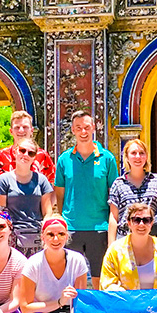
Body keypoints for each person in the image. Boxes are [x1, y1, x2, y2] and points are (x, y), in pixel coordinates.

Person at [54, 111, 118, 289]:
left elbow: (114, 194)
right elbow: (59, 193)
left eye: (87, 127)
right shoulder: (64, 159)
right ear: (73, 130)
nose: (83, 132)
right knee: (71, 279)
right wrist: (62, 220)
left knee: (99, 279)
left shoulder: (107, 158)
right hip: (71, 228)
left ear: (94, 128)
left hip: (99, 227)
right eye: (79, 128)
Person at [18, 215, 90, 313]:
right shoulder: (33, 264)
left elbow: (80, 305)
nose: (56, 239)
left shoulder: (77, 260)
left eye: (61, 234)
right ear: (43, 236)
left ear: (67, 236)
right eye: (50, 234)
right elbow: (25, 308)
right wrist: (59, 302)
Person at [0, 138, 55, 258]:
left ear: (34, 157)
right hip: (11, 236)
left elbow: (47, 212)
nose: (25, 155)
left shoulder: (41, 180)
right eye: (22, 150)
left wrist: (46, 233)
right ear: (15, 152)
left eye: (30, 153)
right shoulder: (3, 180)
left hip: (36, 235)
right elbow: (0, 214)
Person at [108, 138, 157, 245]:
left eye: (141, 153)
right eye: (133, 153)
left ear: (146, 157)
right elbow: (114, 217)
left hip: (152, 239)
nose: (138, 157)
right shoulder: (118, 184)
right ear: (127, 157)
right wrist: (111, 246)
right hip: (125, 240)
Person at [0, 109, 56, 182]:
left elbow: (53, 184)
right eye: (17, 127)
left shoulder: (42, 156)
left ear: (32, 130)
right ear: (11, 131)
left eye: (25, 127)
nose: (21, 130)